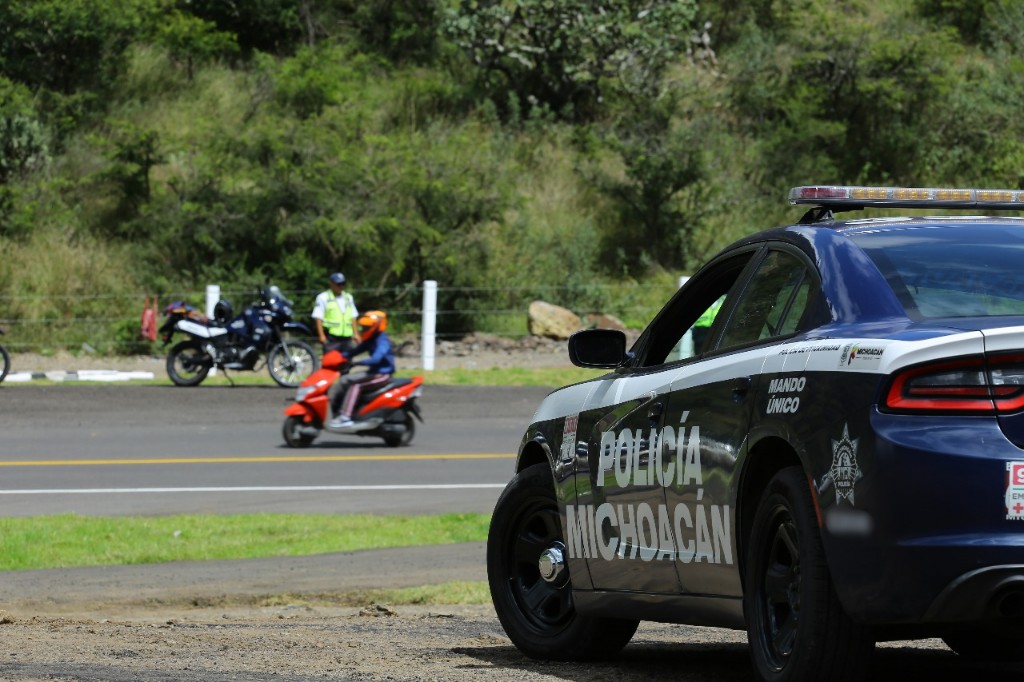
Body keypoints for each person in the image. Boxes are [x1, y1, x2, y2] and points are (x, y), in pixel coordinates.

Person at [328, 310, 396, 430]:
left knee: (355, 386)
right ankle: (337, 409)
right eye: (363, 327)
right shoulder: (371, 339)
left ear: (376, 326)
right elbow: (355, 351)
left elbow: (376, 359)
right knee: (344, 380)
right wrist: (338, 357)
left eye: (367, 327)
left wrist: (357, 363)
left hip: (382, 374)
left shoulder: (382, 341)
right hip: (373, 372)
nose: (363, 329)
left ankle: (346, 417)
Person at [312, 272, 360, 353]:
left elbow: (353, 316)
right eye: (338, 284)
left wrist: (356, 333)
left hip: (347, 337)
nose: (341, 286)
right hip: (331, 338)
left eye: (343, 284)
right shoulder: (323, 297)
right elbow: (318, 317)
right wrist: (321, 335)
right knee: (331, 362)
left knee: (347, 362)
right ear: (331, 284)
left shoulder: (348, 297)